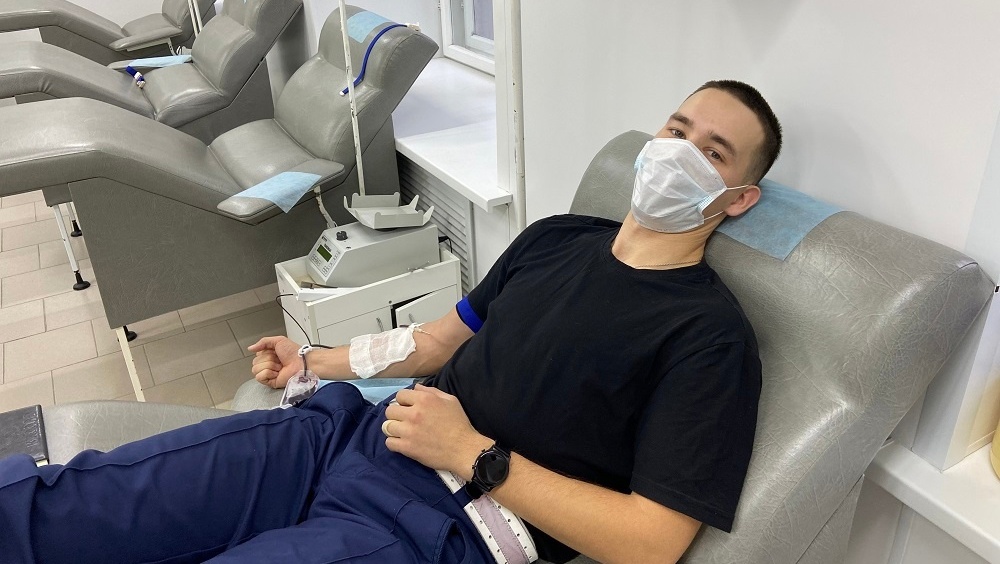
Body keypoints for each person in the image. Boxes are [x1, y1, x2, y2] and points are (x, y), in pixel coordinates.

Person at [0, 79, 781, 564]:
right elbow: (435, 341)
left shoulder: (708, 336)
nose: (679, 153)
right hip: (342, 436)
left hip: (450, 523)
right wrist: (313, 361)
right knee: (74, 504)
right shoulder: (557, 238)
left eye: (713, 153)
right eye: (676, 130)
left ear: (739, 198)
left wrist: (475, 455)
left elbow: (652, 542)